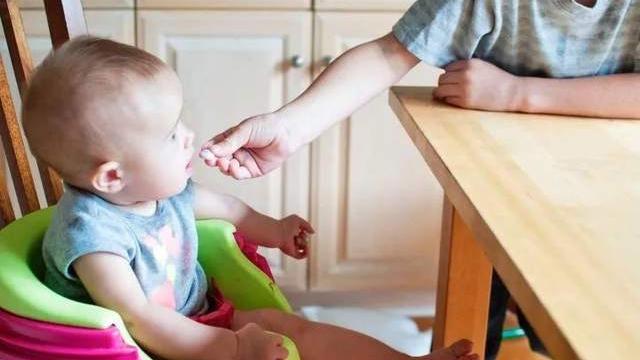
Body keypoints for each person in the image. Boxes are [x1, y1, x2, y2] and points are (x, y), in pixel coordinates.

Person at [198, 0, 640, 358]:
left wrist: (517, 93)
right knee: (481, 318)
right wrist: (288, 128)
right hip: (496, 189)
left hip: (610, 201)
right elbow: (391, 52)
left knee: (580, 327)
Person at [23, 36, 478, 360]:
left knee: (298, 330)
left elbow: (231, 210)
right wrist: (236, 349)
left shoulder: (162, 193)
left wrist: (276, 230)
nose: (188, 138)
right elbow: (138, 319)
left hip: (201, 321)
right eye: (169, 136)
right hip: (138, 348)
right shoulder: (94, 237)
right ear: (112, 176)